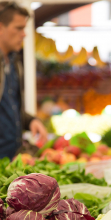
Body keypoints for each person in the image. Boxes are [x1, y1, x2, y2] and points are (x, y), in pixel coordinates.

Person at [0, 2, 47, 160]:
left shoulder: (14, 64)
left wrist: (30, 120)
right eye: (19, 28)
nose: (24, 34)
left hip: (11, 161)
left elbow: (9, 108)